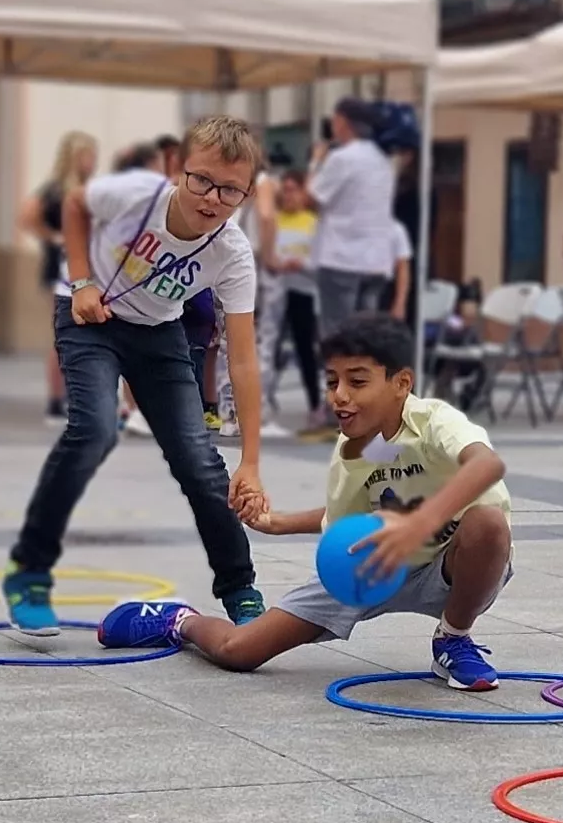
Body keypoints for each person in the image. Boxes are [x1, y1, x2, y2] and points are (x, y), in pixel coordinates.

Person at [93, 314, 510, 693]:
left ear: (402, 383)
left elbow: (486, 464)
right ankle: (179, 620)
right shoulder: (354, 454)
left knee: (488, 524)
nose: (340, 396)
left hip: (449, 563)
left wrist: (420, 523)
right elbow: (343, 523)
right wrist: (278, 523)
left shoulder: (435, 422)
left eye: (358, 382)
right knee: (239, 651)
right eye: (333, 382)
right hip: (374, 563)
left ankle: (453, 638)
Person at [4, 115, 271, 635]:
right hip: (90, 316)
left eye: (231, 191)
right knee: (96, 429)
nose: (212, 199)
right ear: (178, 169)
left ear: (247, 195)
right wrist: (81, 280)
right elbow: (77, 203)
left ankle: (239, 586)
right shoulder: (135, 194)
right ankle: (29, 572)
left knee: (199, 460)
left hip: (159, 334)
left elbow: (242, 357)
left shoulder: (232, 253)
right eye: (202, 180)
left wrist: (253, 463)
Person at [21, 131, 98, 424]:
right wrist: (54, 237)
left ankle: (77, 395)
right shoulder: (56, 190)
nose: (92, 162)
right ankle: (56, 399)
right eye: (87, 156)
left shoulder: (91, 188)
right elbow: (28, 216)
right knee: (62, 335)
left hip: (88, 267)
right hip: (62, 269)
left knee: (83, 336)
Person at [309, 98, 399, 331]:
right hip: (376, 261)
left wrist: (316, 162)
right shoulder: (383, 162)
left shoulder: (341, 158)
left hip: (341, 258)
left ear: (342, 122)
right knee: (366, 335)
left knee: (337, 334)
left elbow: (312, 198)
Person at [262, 168, 322, 437]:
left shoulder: (313, 222)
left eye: (293, 190)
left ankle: (315, 404)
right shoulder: (274, 220)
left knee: (305, 349)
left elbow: (321, 259)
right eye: (284, 190)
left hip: (303, 290)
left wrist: (302, 264)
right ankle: (266, 400)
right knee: (270, 348)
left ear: (302, 193)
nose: (288, 196)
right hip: (276, 289)